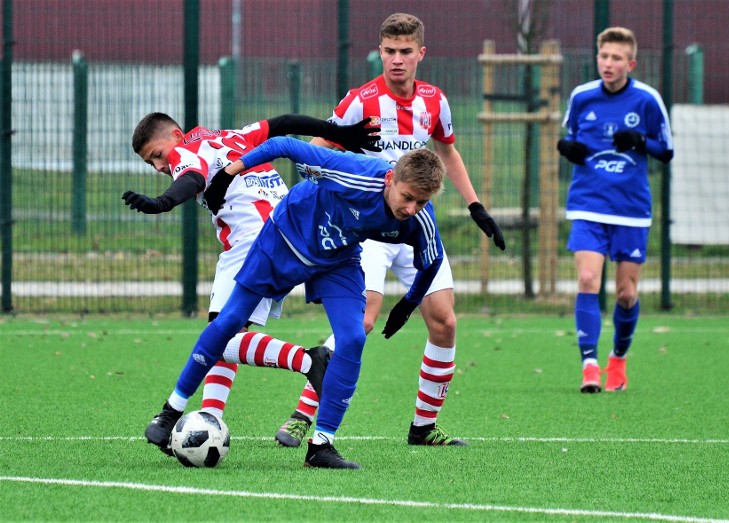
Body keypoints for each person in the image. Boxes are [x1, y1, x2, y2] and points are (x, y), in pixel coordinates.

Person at [274, 12, 505, 449]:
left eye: (405, 52)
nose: (397, 60)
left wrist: (475, 205)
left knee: (445, 322)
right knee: (360, 321)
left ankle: (422, 427)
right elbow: (320, 147)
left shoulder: (435, 101)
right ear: (380, 52)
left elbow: (447, 153)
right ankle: (304, 414)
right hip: (368, 229)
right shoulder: (361, 101)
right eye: (389, 52)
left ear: (421, 53)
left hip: (416, 226)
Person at [144, 139, 447, 469]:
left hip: (337, 260)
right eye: (407, 197)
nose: (411, 208)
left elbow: (432, 262)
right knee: (230, 321)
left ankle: (321, 447)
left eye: (422, 201)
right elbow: (284, 143)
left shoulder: (419, 219)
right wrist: (229, 173)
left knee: (353, 338)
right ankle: (170, 411)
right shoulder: (352, 173)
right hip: (282, 241)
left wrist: (409, 302)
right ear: (391, 179)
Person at [125, 112, 378, 430]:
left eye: (157, 155)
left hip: (253, 242)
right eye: (152, 164)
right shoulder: (233, 134)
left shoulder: (186, 149)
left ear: (176, 135)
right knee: (226, 328)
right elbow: (284, 123)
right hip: (291, 229)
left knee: (219, 337)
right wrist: (339, 133)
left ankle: (309, 361)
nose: (160, 166)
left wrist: (163, 202)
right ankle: (211, 417)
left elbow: (192, 178)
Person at [556, 27, 674, 393]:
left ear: (631, 63)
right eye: (604, 56)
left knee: (626, 293)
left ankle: (617, 361)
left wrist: (641, 141)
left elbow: (666, 150)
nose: (609, 64)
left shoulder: (648, 100)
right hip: (589, 203)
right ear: (598, 58)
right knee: (588, 280)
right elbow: (572, 137)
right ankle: (589, 366)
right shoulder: (582, 96)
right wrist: (568, 148)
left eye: (617, 58)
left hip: (631, 209)